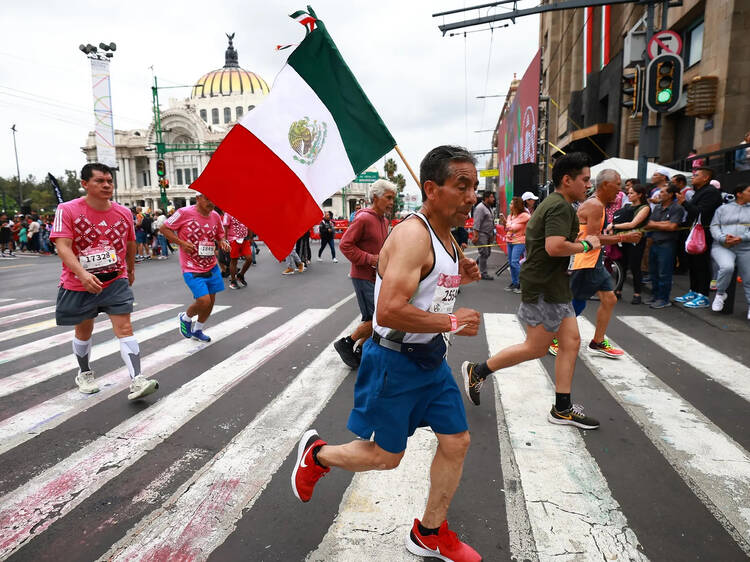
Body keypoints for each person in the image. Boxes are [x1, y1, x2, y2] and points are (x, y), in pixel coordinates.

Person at [292, 146, 482, 561]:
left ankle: (429, 532)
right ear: (431, 189)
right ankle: (318, 455)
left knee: (457, 441)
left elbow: (430, 292)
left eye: (474, 186)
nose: (472, 196)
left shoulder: (448, 234)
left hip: (430, 360)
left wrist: (459, 277)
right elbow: (390, 310)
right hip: (394, 362)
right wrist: (453, 322)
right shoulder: (414, 235)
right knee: (386, 457)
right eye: (462, 186)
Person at [460, 152, 601, 430]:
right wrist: (587, 246)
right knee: (536, 347)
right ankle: (479, 370)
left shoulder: (557, 203)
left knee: (571, 342)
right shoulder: (559, 206)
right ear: (567, 179)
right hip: (545, 287)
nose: (588, 185)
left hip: (554, 285)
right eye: (584, 180)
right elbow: (555, 246)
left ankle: (562, 408)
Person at [49, 162, 158, 400]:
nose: (107, 185)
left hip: (115, 280)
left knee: (125, 328)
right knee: (84, 330)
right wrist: (82, 274)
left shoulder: (123, 212)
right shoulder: (67, 210)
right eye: (100, 181)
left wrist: (130, 269)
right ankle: (85, 372)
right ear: (85, 184)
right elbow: (62, 246)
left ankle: (137, 379)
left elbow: (130, 242)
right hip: (80, 283)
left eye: (109, 181)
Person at [559, 169, 641, 359]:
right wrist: (625, 237)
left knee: (608, 299)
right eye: (618, 184)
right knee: (575, 303)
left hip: (592, 259)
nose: (621, 190)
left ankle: (597, 341)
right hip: (586, 260)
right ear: (605, 185)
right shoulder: (595, 205)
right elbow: (594, 239)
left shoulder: (597, 204)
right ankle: (556, 337)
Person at [334, 179, 396, 368]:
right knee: (377, 319)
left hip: (378, 277)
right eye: (388, 197)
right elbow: (345, 245)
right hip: (362, 277)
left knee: (376, 318)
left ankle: (361, 349)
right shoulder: (363, 218)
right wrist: (370, 259)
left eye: (393, 198)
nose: (392, 202)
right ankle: (347, 343)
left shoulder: (384, 220)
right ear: (376, 197)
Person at [159, 193, 230, 342]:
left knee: (211, 301)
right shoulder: (183, 213)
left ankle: (198, 329)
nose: (211, 203)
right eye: (208, 198)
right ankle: (185, 317)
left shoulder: (215, 216)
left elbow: (220, 235)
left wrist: (223, 242)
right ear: (198, 198)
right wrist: (182, 243)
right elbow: (164, 228)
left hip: (211, 265)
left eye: (214, 199)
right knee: (203, 301)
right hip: (191, 267)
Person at [674, 167, 723, 308]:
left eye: (696, 175)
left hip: (704, 232)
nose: (693, 177)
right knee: (693, 263)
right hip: (694, 231)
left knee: (702, 263)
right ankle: (693, 291)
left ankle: (703, 295)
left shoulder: (711, 192)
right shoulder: (699, 192)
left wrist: (683, 202)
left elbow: (700, 212)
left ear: (706, 178)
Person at [710, 184, 750, 319]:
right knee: (727, 267)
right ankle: (720, 293)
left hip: (746, 247)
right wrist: (722, 238)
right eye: (749, 191)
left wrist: (742, 238)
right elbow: (714, 226)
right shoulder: (722, 209)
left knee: (749, 278)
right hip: (722, 246)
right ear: (739, 193)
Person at [644, 183, 685, 309]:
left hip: (667, 244)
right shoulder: (657, 207)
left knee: (664, 273)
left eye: (662, 192)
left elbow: (672, 226)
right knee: (654, 272)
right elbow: (647, 224)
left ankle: (663, 298)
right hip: (655, 242)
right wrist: (663, 224)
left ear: (670, 194)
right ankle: (655, 295)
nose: (659, 194)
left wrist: (655, 224)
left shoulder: (676, 208)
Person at [609, 183, 651, 304]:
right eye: (629, 192)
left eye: (632, 193)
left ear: (640, 194)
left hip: (635, 240)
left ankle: (637, 294)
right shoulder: (627, 206)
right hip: (622, 239)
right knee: (621, 265)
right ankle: (618, 291)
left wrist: (614, 225)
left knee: (635, 267)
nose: (629, 194)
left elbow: (633, 224)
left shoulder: (645, 208)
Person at [504, 196, 529, 293]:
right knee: (511, 263)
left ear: (516, 205)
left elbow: (511, 227)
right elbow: (508, 227)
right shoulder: (510, 216)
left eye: (511, 203)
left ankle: (520, 284)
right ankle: (514, 282)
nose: (510, 205)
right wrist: (509, 225)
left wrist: (509, 225)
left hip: (519, 241)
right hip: (510, 241)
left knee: (514, 262)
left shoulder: (524, 215)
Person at [222, 211, 252, 290]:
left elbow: (249, 224)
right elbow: (225, 227)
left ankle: (240, 275)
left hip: (244, 239)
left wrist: (250, 237)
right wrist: (225, 240)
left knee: (249, 259)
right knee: (234, 260)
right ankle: (233, 281)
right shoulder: (228, 213)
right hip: (233, 239)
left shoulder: (244, 211)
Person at [472, 190, 495, 280]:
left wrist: (492, 235)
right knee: (484, 253)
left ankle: (477, 262)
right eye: (491, 197)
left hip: (489, 234)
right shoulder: (480, 208)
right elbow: (476, 223)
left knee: (487, 253)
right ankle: (483, 273)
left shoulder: (488, 207)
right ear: (486, 198)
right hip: (482, 234)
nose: (493, 199)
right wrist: (476, 235)